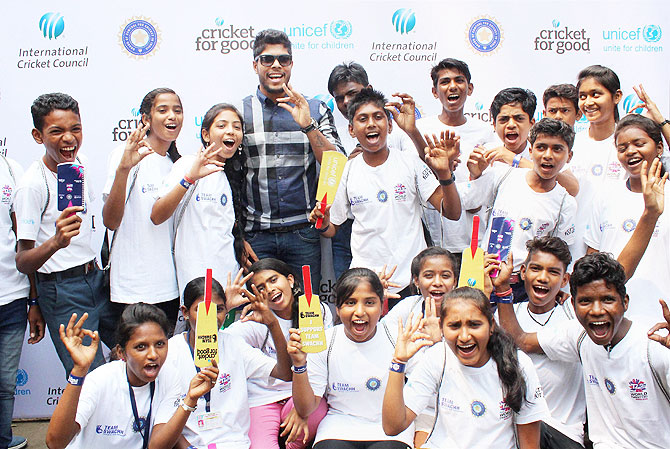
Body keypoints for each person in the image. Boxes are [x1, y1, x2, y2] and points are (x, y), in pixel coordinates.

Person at [496, 252, 670, 449]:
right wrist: (502, 290)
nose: (596, 310)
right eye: (586, 301)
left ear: (625, 302)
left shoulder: (653, 347)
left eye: (607, 300)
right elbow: (521, 340)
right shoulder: (579, 335)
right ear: (573, 304)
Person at [311, 88, 461, 302]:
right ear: (352, 130)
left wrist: (445, 174)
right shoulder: (347, 170)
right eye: (363, 119)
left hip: (411, 283)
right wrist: (323, 222)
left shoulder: (410, 163)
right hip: (367, 283)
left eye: (378, 117)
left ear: (390, 126)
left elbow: (453, 212)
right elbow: (331, 227)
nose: (371, 124)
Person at [14, 92, 115, 375]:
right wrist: (56, 242)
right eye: (56, 131)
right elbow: (23, 261)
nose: (69, 138)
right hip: (62, 291)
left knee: (131, 349)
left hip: (95, 279)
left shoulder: (77, 166)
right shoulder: (32, 186)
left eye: (75, 129)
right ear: (38, 136)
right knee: (88, 376)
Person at [382, 287, 549, 449]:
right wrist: (398, 362)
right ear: (442, 329)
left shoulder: (518, 363)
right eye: (454, 326)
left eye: (474, 325)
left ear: (491, 325)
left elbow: (529, 444)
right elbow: (393, 426)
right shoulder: (437, 357)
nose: (464, 336)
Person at [241, 29, 344, 290]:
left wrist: (308, 126)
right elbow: (229, 177)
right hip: (257, 238)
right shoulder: (238, 114)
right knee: (260, 315)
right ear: (255, 65)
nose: (276, 65)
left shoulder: (316, 109)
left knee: (306, 312)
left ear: (291, 65)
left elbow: (337, 163)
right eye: (267, 59)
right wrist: (237, 236)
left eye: (283, 59)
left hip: (304, 234)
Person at [45, 304, 218, 449]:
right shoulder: (100, 380)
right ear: (122, 353)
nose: (153, 355)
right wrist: (79, 371)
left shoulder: (170, 375)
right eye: (141, 347)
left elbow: (157, 446)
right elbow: (55, 442)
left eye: (159, 344)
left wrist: (189, 400)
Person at [152, 275, 293, 449]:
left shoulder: (234, 344)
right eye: (202, 310)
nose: (211, 317)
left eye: (218, 309)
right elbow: (163, 426)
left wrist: (272, 324)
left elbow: (285, 373)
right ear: (185, 312)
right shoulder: (170, 352)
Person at [289, 268, 415, 448]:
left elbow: (422, 389)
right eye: (350, 302)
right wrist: (299, 365)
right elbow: (306, 408)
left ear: (381, 306)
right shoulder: (324, 341)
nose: (359, 312)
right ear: (338, 309)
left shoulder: (398, 339)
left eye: (370, 302)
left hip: (391, 429)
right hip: (339, 427)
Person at [463, 118, 577, 302]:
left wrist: (555, 289)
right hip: (482, 277)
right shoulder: (504, 176)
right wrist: (453, 172)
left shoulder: (566, 203)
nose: (548, 155)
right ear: (530, 151)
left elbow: (560, 255)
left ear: (569, 156)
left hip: (526, 290)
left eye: (557, 149)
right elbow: (466, 201)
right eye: (541, 147)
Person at [225, 258, 331, 449]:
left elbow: (323, 362)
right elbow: (220, 341)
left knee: (316, 411)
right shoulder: (255, 319)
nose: (270, 289)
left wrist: (302, 411)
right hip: (263, 399)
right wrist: (226, 307)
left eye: (273, 280)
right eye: (261, 287)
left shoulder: (318, 311)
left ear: (290, 280)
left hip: (303, 395)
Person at [326, 62, 417, 279]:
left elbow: (418, 170)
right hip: (348, 228)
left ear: (368, 90)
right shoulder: (335, 131)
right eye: (339, 98)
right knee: (353, 296)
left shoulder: (392, 129)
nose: (346, 101)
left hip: (394, 226)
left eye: (352, 93)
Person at [102, 88, 183, 326]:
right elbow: (110, 221)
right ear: (146, 119)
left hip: (169, 286)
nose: (172, 116)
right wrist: (123, 169)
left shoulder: (175, 163)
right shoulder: (126, 155)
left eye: (177, 110)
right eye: (163, 110)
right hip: (132, 287)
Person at [151, 103, 250, 296]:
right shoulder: (187, 165)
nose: (230, 131)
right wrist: (189, 178)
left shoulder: (231, 174)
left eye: (236, 127)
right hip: (197, 283)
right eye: (222, 126)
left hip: (228, 280)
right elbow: (157, 215)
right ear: (205, 135)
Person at [586, 114, 670, 328]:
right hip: (612, 320)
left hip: (660, 316)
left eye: (639, 143)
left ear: (659, 148)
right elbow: (592, 257)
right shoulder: (605, 196)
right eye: (622, 148)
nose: (630, 151)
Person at [502, 237, 586, 448]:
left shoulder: (575, 319)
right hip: (512, 433)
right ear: (523, 272)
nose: (543, 277)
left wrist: (502, 290)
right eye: (536, 269)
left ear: (565, 280)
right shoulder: (505, 315)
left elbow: (521, 340)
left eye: (553, 272)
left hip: (562, 434)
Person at [414, 58, 498, 252]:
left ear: (469, 89)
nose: (452, 87)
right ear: (435, 92)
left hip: (474, 243)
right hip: (434, 242)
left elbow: (483, 192)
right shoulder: (421, 129)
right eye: (445, 82)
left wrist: (472, 175)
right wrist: (444, 168)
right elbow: (421, 182)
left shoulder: (485, 132)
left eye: (459, 80)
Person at [1, 153, 45, 449]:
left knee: (5, 383)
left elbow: (23, 239)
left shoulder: (9, 167)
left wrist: (33, 299)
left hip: (12, 296)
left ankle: (2, 440)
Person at [568, 65, 626, 262]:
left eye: (596, 94)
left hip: (616, 246)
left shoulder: (629, 145)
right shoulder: (571, 144)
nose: (588, 102)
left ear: (616, 96)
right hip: (572, 248)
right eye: (583, 96)